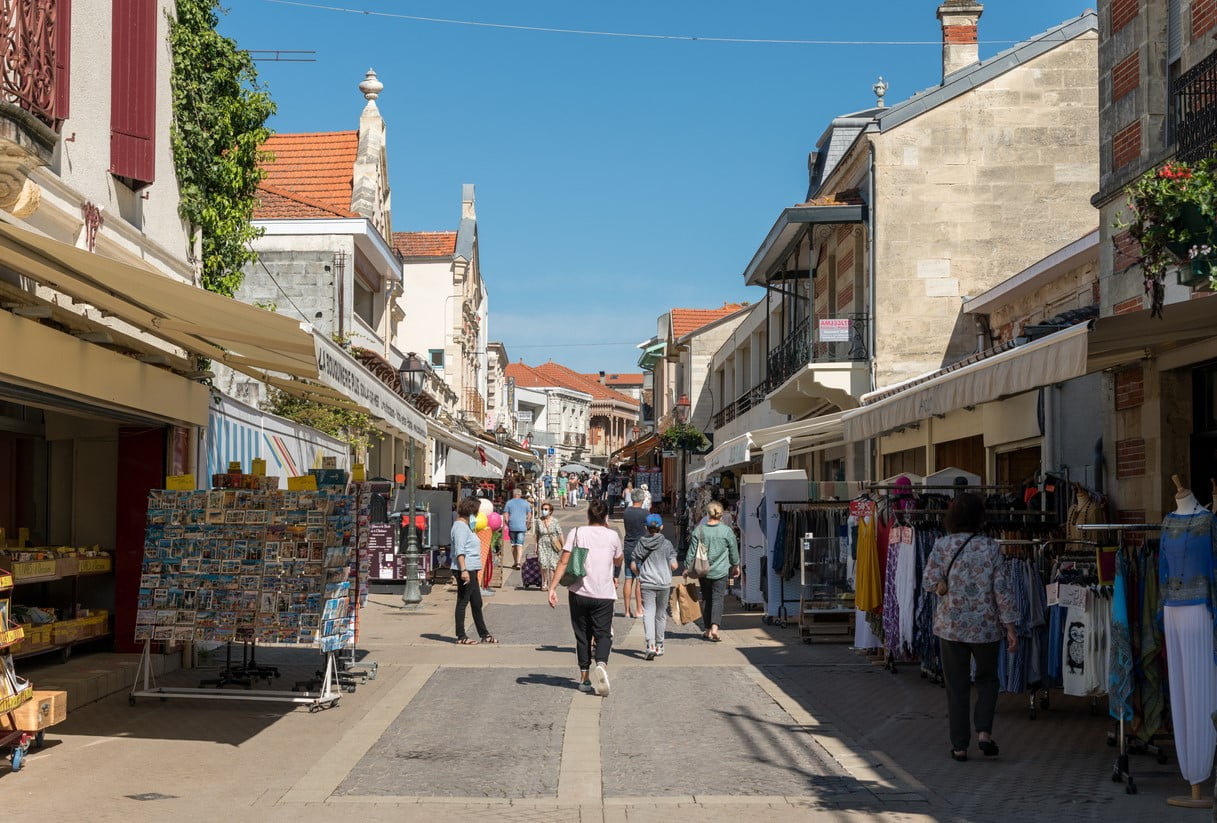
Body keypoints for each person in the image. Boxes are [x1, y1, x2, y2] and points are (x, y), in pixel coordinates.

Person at [921, 492, 1018, 762]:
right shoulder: (991, 547)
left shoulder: (942, 545)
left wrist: (940, 586)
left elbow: (928, 580)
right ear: (979, 517)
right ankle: (984, 733)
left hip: (951, 626)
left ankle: (960, 746)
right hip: (986, 627)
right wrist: (1010, 627)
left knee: (957, 685)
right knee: (988, 680)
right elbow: (1002, 591)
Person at [548, 499, 622, 695]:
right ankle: (602, 665)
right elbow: (618, 559)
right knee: (603, 633)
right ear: (606, 516)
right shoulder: (613, 536)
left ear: (588, 515)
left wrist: (552, 588)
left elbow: (564, 562)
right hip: (604, 594)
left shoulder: (577, 532)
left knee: (582, 635)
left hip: (579, 591)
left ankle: (584, 678)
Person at [685, 500, 739, 642]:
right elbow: (733, 551)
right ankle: (714, 628)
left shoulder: (700, 530)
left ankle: (707, 629)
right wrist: (736, 565)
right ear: (721, 514)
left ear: (707, 514)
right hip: (721, 571)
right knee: (717, 599)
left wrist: (686, 567)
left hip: (703, 571)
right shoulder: (726, 531)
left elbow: (691, 552)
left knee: (707, 599)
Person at [451, 496, 496, 645]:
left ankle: (484, 634)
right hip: (465, 568)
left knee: (477, 602)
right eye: (476, 510)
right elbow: (460, 550)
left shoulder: (467, 525)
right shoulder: (460, 527)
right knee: (463, 601)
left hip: (472, 568)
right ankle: (461, 635)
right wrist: (463, 570)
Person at [632, 513, 677, 660]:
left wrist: (640, 573)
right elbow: (674, 565)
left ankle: (650, 644)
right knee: (661, 614)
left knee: (649, 612)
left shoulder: (642, 543)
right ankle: (660, 644)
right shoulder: (667, 544)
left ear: (646, 527)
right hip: (664, 583)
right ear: (661, 527)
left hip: (647, 582)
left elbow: (633, 564)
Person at [620, 489, 649, 618]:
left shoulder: (626, 512)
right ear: (642, 499)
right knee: (639, 579)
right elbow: (648, 528)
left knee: (628, 578)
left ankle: (626, 610)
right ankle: (638, 609)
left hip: (628, 545)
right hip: (640, 547)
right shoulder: (645, 513)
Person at [533, 502, 564, 589]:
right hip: (542, 544)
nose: (544, 511)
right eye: (543, 509)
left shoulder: (555, 521)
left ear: (550, 511)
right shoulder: (538, 521)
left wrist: (563, 545)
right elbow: (536, 534)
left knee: (552, 565)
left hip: (553, 544)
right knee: (543, 564)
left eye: (546, 509)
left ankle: (552, 584)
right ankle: (545, 581)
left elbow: (560, 533)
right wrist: (535, 545)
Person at [503, 488, 533, 570]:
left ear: (513, 494)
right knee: (520, 545)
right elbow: (529, 515)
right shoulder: (525, 503)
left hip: (512, 526)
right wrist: (528, 523)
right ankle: (519, 562)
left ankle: (515, 562)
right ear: (520, 494)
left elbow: (505, 515)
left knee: (513, 545)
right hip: (522, 526)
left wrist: (507, 523)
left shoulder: (509, 503)